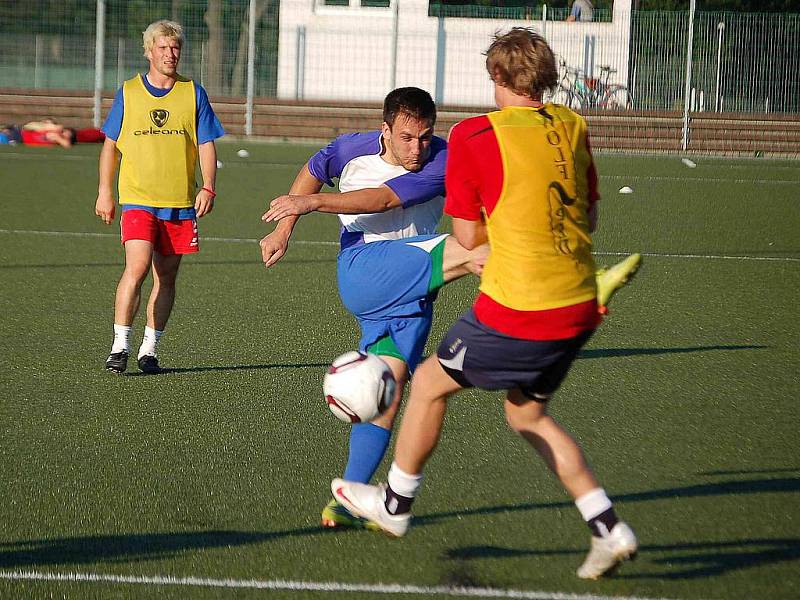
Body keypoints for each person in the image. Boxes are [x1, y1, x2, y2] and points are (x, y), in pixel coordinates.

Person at [331, 28, 639, 581]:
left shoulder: (476, 134)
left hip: (521, 305)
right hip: (577, 303)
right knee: (527, 413)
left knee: (425, 385)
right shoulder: (572, 125)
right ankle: (608, 528)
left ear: (497, 77)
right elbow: (589, 218)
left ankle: (395, 508)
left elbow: (467, 237)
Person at [261, 86, 640, 534]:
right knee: (470, 250)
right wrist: (286, 227)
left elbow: (383, 199)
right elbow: (313, 170)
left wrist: (312, 203)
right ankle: (576, 285)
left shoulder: (442, 159)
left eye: (423, 136)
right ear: (385, 131)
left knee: (387, 389)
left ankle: (348, 498)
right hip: (364, 272)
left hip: (413, 295)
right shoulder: (350, 149)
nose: (416, 148)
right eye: (405, 138)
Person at [95, 19, 224, 374]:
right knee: (136, 268)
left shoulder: (193, 93)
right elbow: (110, 147)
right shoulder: (129, 91)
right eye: (163, 48)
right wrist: (105, 192)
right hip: (137, 199)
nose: (170, 54)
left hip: (180, 204)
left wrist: (208, 185)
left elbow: (205, 143)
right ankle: (119, 346)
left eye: (175, 47)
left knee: (166, 278)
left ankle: (149, 349)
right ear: (149, 51)